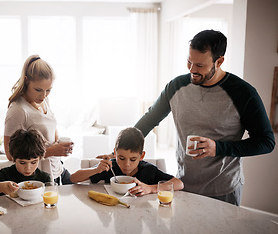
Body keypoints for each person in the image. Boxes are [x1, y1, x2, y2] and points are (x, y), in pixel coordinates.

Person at [133, 30, 275, 205]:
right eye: (189, 62)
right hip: (183, 185)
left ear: (219, 61)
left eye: (199, 65)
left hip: (224, 190)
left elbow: (266, 142)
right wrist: (120, 148)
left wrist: (218, 148)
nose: (192, 70)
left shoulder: (244, 93)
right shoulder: (176, 86)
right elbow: (149, 120)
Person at [4, 55, 73, 185]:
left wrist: (60, 145)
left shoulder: (44, 100)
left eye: (48, 90)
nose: (43, 95)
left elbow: (51, 127)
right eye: (38, 90)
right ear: (26, 81)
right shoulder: (18, 110)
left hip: (57, 168)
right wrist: (52, 151)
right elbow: (10, 154)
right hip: (39, 176)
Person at [71, 127, 184, 196]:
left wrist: (150, 188)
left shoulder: (149, 170)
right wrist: (95, 170)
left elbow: (179, 184)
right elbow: (73, 178)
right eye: (121, 158)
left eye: (133, 159)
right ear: (115, 153)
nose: (127, 164)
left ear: (142, 156)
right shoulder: (110, 167)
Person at [0, 129, 51, 202]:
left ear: (40, 158)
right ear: (13, 158)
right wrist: (0, 187)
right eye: (22, 163)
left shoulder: (44, 178)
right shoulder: (6, 175)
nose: (28, 168)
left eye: (33, 162)